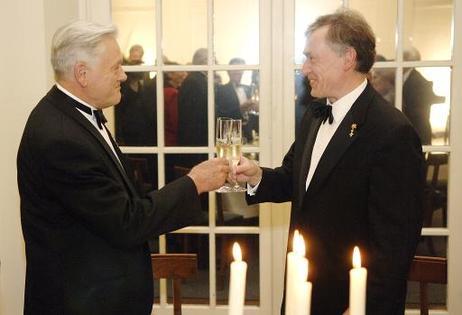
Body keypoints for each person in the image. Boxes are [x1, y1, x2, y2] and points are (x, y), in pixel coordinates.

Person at [17, 21, 229, 315]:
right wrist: (195, 183)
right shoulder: (60, 137)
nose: (124, 74)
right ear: (82, 73)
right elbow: (127, 221)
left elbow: (125, 201)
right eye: (115, 67)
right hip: (82, 303)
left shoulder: (74, 117)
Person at [235, 9, 424, 315]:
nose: (303, 67)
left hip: (351, 299)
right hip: (303, 287)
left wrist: (363, 305)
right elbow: (294, 179)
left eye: (312, 58)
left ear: (348, 58)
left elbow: (396, 243)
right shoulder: (314, 114)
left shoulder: (392, 132)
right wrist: (256, 175)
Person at [402, 47, 445, 145]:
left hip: (416, 133)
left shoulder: (419, 82)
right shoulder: (405, 77)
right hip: (411, 132)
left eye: (401, 57)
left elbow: (417, 113)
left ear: (406, 59)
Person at [215, 57, 258, 142]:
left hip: (248, 135)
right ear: (228, 71)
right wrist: (241, 109)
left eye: (240, 69)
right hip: (230, 136)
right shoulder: (220, 90)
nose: (238, 72)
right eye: (235, 69)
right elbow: (220, 115)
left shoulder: (249, 89)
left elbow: (253, 115)